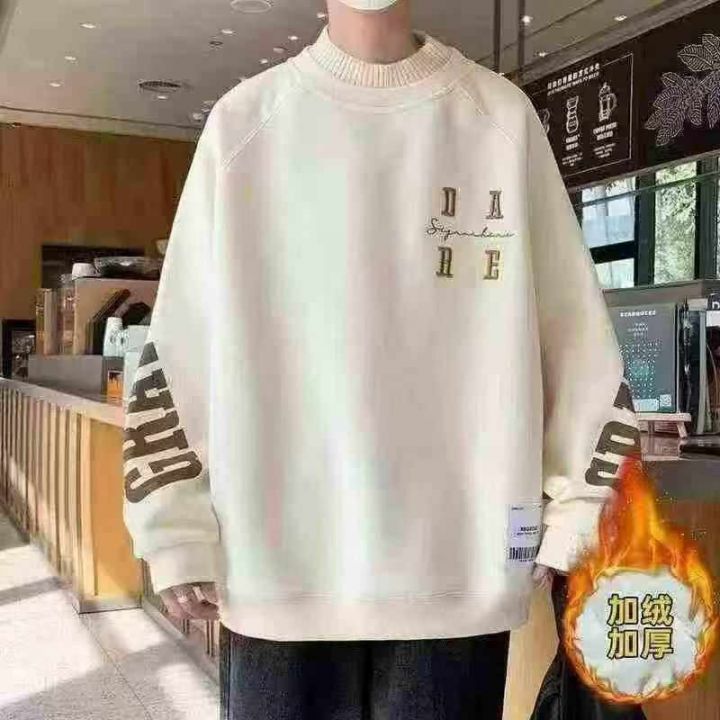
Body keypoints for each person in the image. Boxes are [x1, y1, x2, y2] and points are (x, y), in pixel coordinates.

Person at [121, 1, 641, 718]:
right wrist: (173, 528)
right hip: (278, 570)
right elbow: (181, 347)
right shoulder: (245, 124)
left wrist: (579, 509)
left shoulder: (499, 119)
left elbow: (576, 338)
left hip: (455, 572)